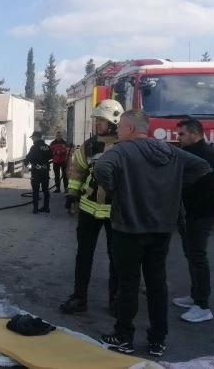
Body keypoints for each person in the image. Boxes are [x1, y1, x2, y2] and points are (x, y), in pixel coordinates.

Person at [94, 110, 211, 357]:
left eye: (120, 127)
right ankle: (158, 340)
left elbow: (102, 166)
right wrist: (175, 186)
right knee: (157, 284)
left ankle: (124, 337)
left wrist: (115, 190)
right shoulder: (169, 150)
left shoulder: (122, 151)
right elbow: (202, 166)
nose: (118, 131)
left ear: (129, 128)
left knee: (128, 284)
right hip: (162, 229)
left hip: (128, 229)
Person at [59, 99, 123, 316]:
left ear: (114, 122)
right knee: (83, 255)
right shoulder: (89, 145)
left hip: (115, 211)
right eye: (97, 120)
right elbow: (77, 171)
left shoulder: (125, 146)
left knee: (117, 259)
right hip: (89, 208)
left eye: (101, 121)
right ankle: (79, 297)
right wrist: (71, 195)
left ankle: (116, 300)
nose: (97, 124)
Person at [172, 117, 214, 323]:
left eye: (181, 134)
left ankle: (203, 306)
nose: (178, 137)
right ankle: (195, 296)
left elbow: (194, 186)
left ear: (194, 134)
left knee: (198, 256)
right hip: (191, 213)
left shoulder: (204, 156)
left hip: (201, 214)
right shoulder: (193, 153)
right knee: (191, 254)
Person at [23, 131, 52, 213]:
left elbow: (28, 158)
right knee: (45, 190)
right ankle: (46, 207)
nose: (32, 139)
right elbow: (51, 156)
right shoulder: (47, 147)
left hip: (36, 172)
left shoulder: (34, 147)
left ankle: (35, 209)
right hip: (45, 171)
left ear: (36, 137)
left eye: (33, 137)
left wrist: (26, 164)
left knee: (35, 190)